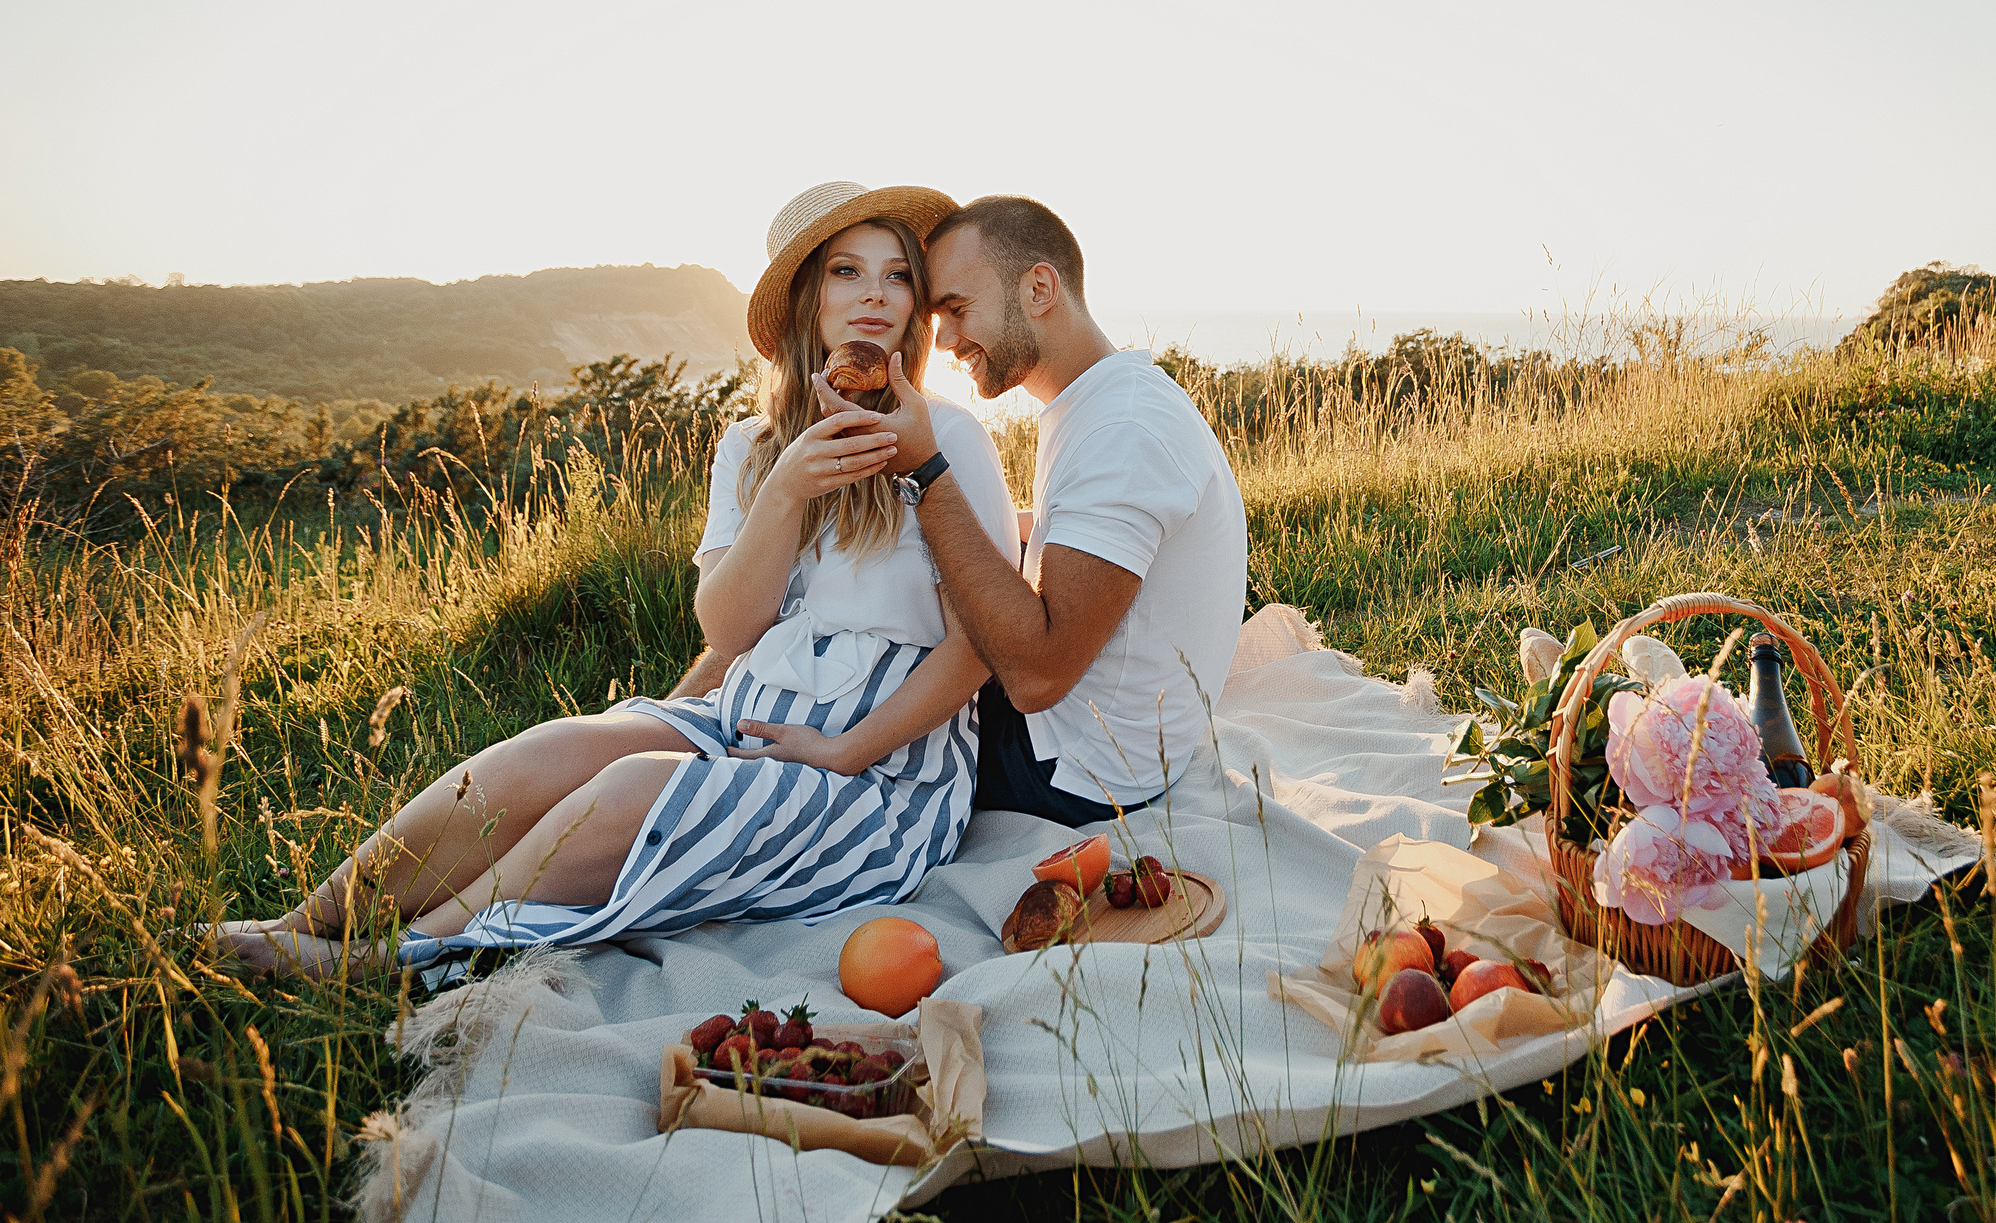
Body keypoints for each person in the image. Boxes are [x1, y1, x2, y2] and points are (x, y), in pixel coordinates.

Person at [215, 181, 1020, 974]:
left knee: (634, 787)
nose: (876, 295)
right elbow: (730, 632)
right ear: (809, 296)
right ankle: (305, 918)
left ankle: (391, 955)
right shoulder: (753, 447)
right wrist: (786, 491)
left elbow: (978, 648)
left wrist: (844, 751)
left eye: (898, 274)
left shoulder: (951, 440)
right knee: (549, 750)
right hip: (745, 719)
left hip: (883, 776)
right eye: (847, 270)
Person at [863, 195, 1249, 825]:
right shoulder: (1102, 402)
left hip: (1078, 767)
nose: (947, 340)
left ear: (1039, 287)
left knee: (850, 693)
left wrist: (926, 473)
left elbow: (1037, 678)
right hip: (1104, 735)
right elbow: (1076, 538)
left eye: (956, 310)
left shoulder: (1123, 429)